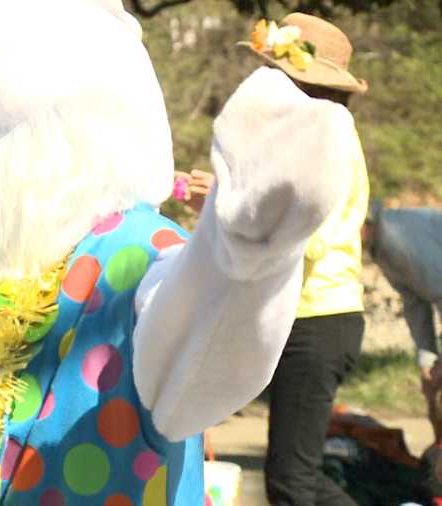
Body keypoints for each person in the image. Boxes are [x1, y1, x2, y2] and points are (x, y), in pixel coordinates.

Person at [178, 14, 370, 505]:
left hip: (318, 320)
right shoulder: (308, 136)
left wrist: (223, 205)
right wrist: (225, 201)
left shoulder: (328, 138)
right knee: (293, 478)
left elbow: (308, 238)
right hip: (306, 318)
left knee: (292, 481)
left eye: (273, 71)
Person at [363, 201, 442, 443]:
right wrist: (427, 361)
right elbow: (415, 303)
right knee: (433, 389)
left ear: (365, 225)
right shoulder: (381, 248)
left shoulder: (396, 235)